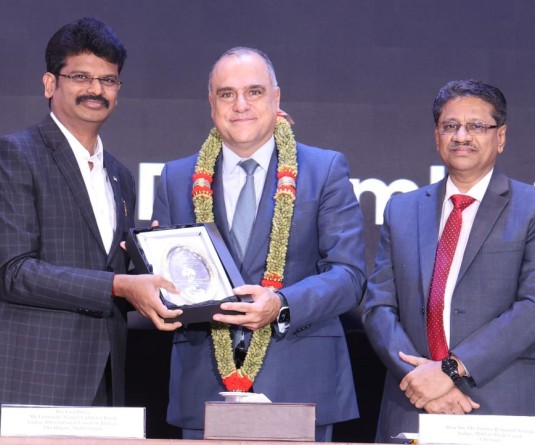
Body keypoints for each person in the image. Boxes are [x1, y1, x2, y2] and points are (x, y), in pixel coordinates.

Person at [152, 47, 366, 441]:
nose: (240, 105)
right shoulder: (175, 177)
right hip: (203, 390)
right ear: (211, 103)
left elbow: (349, 276)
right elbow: (169, 288)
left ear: (276, 98)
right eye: (227, 94)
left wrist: (281, 303)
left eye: (254, 92)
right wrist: (152, 278)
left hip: (300, 386)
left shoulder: (324, 169)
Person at [0, 17, 180, 407]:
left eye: (108, 79)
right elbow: (13, 272)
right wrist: (118, 285)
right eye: (81, 76)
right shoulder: (15, 155)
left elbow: (113, 274)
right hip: (36, 381)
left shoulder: (120, 175)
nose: (96, 89)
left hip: (106, 382)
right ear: (50, 83)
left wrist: (151, 265)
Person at [362, 79, 535, 442]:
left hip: (498, 405)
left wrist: (450, 370)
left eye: (476, 126)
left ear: (500, 137)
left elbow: (531, 307)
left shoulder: (530, 207)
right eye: (450, 126)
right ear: (437, 136)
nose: (462, 136)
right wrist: (419, 379)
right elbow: (378, 307)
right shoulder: (402, 209)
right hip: (411, 401)